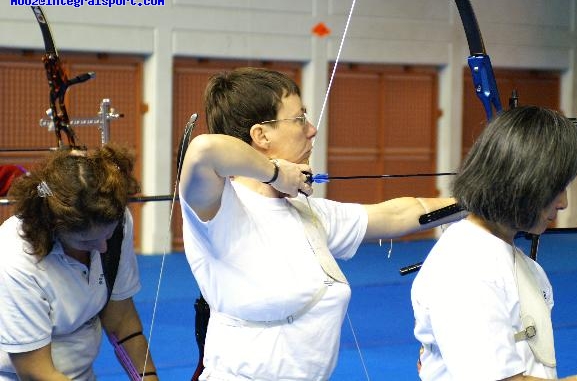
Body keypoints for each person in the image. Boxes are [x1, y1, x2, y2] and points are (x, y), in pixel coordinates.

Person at [178, 67, 460, 380]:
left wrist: (478, 203)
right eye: (299, 119)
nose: (311, 130)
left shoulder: (308, 213)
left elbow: (400, 213)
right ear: (260, 135)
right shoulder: (218, 209)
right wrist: (275, 173)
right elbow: (204, 150)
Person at [411, 106, 577, 380]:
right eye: (556, 189)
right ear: (520, 183)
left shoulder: (504, 256)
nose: (563, 203)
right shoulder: (465, 269)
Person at [0, 143, 159, 380]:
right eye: (87, 241)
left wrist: (148, 378)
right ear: (53, 227)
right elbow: (35, 371)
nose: (103, 247)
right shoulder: (15, 260)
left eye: (107, 235)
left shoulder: (112, 219)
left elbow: (121, 319)